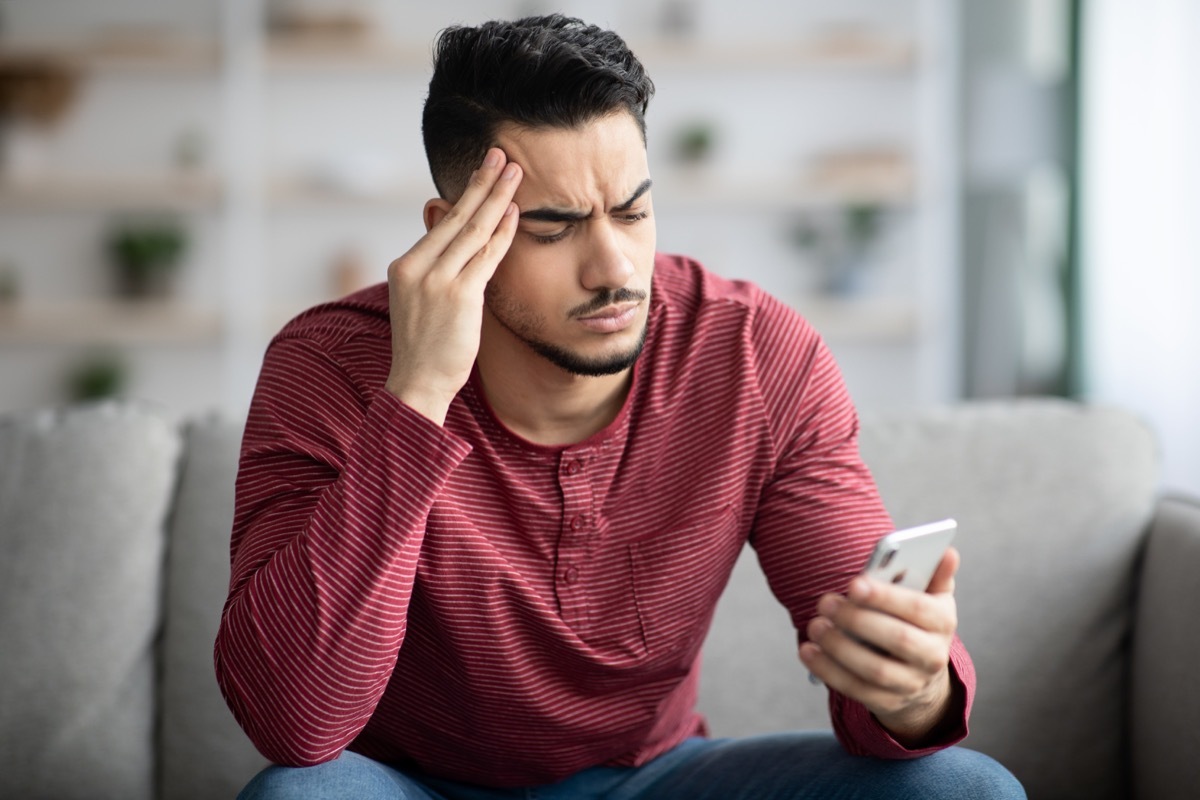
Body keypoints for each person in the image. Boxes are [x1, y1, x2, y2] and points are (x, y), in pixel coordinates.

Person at [218, 14, 1025, 800]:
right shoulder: (328, 365)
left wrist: (913, 690)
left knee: (966, 789)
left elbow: (881, 657)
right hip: (409, 784)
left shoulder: (749, 354)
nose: (614, 269)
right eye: (554, 227)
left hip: (656, 776)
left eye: (633, 212)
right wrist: (418, 396)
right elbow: (296, 727)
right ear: (453, 233)